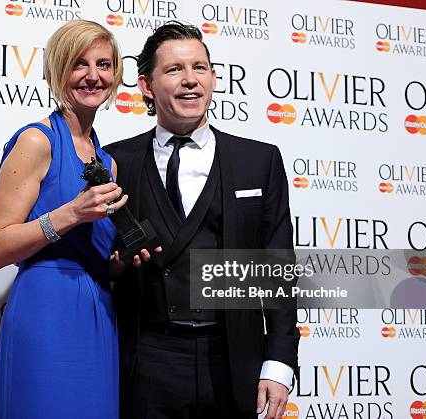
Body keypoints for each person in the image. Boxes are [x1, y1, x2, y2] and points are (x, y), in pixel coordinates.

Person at [104, 22, 300, 419]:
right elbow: (100, 262)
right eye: (174, 70)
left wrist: (279, 364)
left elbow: (278, 268)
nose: (190, 80)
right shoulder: (113, 162)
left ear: (213, 77)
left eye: (200, 68)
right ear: (145, 85)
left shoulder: (258, 160)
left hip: (233, 360)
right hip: (146, 361)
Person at [0, 20, 135, 419]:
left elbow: (94, 256)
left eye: (104, 64)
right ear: (57, 71)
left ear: (116, 74)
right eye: (78, 64)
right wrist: (70, 213)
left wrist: (121, 263)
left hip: (99, 313)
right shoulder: (36, 140)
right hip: (46, 310)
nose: (93, 75)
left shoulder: (108, 162)